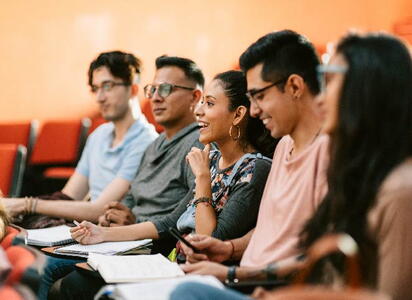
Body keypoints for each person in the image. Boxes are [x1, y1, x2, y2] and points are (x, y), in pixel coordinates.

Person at [172, 32, 412, 300]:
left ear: (366, 94)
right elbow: (322, 263)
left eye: (330, 83)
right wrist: (230, 258)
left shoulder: (397, 189)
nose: (320, 98)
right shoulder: (299, 150)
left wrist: (275, 292)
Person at [54, 56, 205, 300]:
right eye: (152, 89)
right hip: (129, 240)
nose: (155, 97)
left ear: (195, 97)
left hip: (157, 250)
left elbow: (181, 217)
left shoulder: (197, 144)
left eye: (166, 89)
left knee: (71, 284)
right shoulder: (154, 145)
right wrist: (119, 214)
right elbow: (133, 196)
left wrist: (125, 226)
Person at [3, 51, 158, 223]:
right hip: (88, 228)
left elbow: (101, 209)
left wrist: (26, 204)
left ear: (133, 89)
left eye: (107, 86)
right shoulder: (98, 135)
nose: (99, 98)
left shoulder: (146, 141)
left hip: (115, 233)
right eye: (95, 88)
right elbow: (70, 196)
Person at [175, 70, 275, 244]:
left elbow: (210, 242)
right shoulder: (212, 159)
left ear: (238, 115)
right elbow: (172, 221)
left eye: (210, 104)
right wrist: (111, 233)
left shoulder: (255, 169)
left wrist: (203, 177)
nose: (198, 111)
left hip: (209, 269)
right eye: (201, 103)